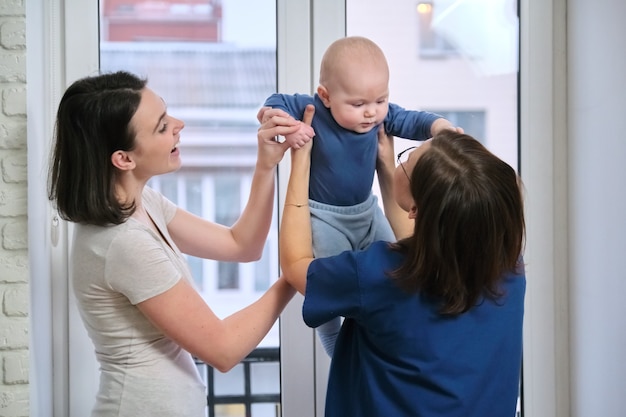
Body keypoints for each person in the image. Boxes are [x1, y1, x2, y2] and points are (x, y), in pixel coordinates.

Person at [47, 70, 307, 417]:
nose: (178, 124)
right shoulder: (121, 243)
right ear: (124, 158)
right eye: (161, 126)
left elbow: (241, 245)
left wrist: (266, 166)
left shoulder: (142, 204)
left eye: (168, 114)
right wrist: (297, 271)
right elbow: (224, 348)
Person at [279, 114, 526, 417]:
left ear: (417, 209)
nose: (401, 161)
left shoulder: (378, 275)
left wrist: (300, 161)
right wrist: (386, 165)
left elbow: (294, 265)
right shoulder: (508, 267)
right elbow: (424, 242)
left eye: (406, 159)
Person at [263, 36, 462, 355]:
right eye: (358, 105)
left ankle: (389, 334)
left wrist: (441, 127)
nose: (372, 113)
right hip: (325, 217)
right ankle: (334, 343)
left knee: (401, 262)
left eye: (380, 100)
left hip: (367, 212)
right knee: (326, 284)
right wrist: (290, 126)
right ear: (326, 96)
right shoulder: (312, 109)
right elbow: (274, 103)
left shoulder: (379, 118)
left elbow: (413, 119)